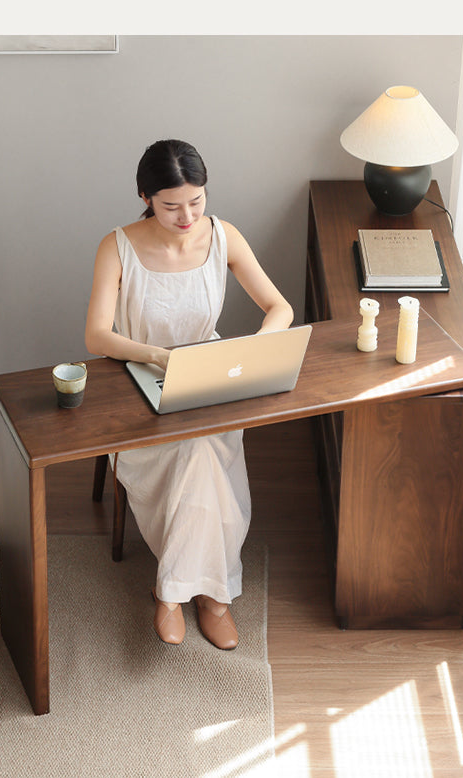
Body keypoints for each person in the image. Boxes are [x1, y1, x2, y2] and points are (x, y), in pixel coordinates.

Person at [85, 139, 293, 649]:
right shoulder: (117, 246)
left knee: (201, 449)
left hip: (210, 377)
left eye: (196, 201)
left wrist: (255, 353)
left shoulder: (224, 237)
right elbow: (96, 337)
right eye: (171, 205)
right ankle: (212, 598)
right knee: (199, 456)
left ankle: (174, 592)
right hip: (141, 382)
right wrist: (159, 358)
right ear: (145, 196)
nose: (187, 216)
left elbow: (279, 308)